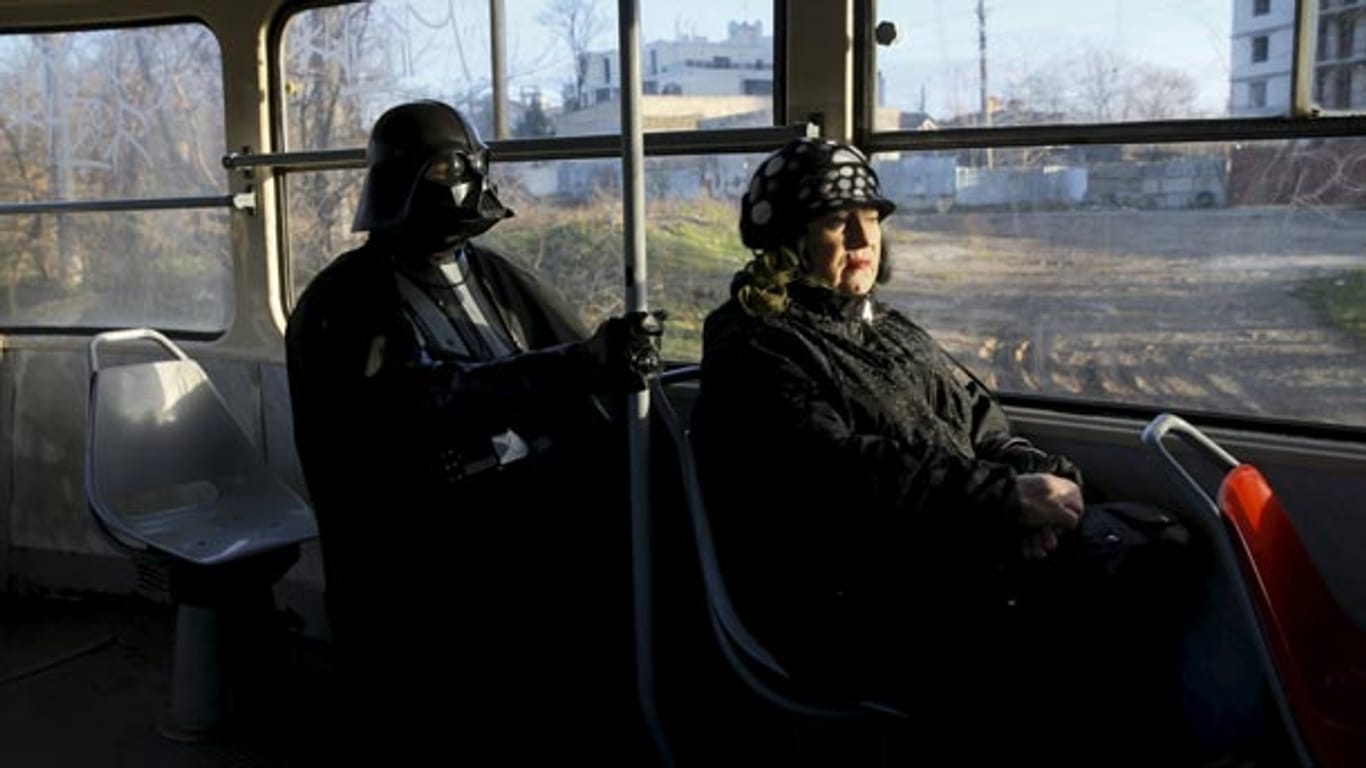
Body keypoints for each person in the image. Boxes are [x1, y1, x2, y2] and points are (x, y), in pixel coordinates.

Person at [690, 137, 1210, 764]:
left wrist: (1035, 479)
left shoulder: (886, 327)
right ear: (786, 243)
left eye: (872, 219)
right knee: (1098, 599)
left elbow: (983, 423)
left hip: (948, 545)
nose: (863, 238)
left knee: (1159, 545)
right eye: (836, 221)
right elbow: (840, 477)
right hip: (853, 595)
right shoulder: (757, 350)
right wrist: (1005, 505)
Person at [285, 100, 662, 753]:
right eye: (445, 171)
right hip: (420, 534)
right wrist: (574, 365)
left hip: (520, 501)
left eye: (469, 167)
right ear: (402, 182)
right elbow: (415, 398)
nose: (464, 185)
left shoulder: (495, 278)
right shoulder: (342, 303)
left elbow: (553, 365)